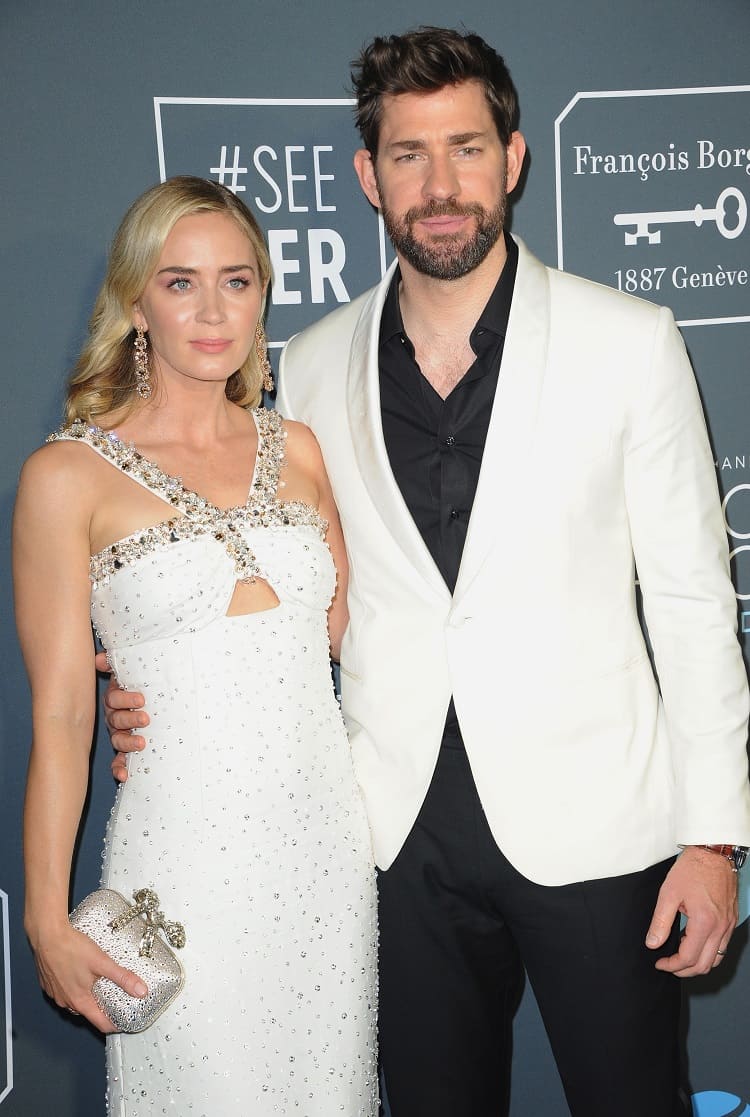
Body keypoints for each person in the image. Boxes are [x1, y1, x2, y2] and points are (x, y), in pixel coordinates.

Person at [104, 29, 750, 1117]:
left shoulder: (630, 341)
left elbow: (692, 603)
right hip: (387, 833)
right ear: (368, 175)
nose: (439, 185)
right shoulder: (303, 369)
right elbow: (264, 584)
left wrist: (715, 839)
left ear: (514, 157)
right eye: (408, 155)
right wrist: (157, 690)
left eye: (464, 148)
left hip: (600, 827)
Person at [13, 176, 378, 1116]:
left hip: (325, 858)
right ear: (137, 301)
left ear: (263, 295)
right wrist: (46, 917)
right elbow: (60, 712)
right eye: (180, 283)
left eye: (237, 280)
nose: (213, 311)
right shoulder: (65, 474)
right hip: (181, 866)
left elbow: (360, 642)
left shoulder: (298, 447)